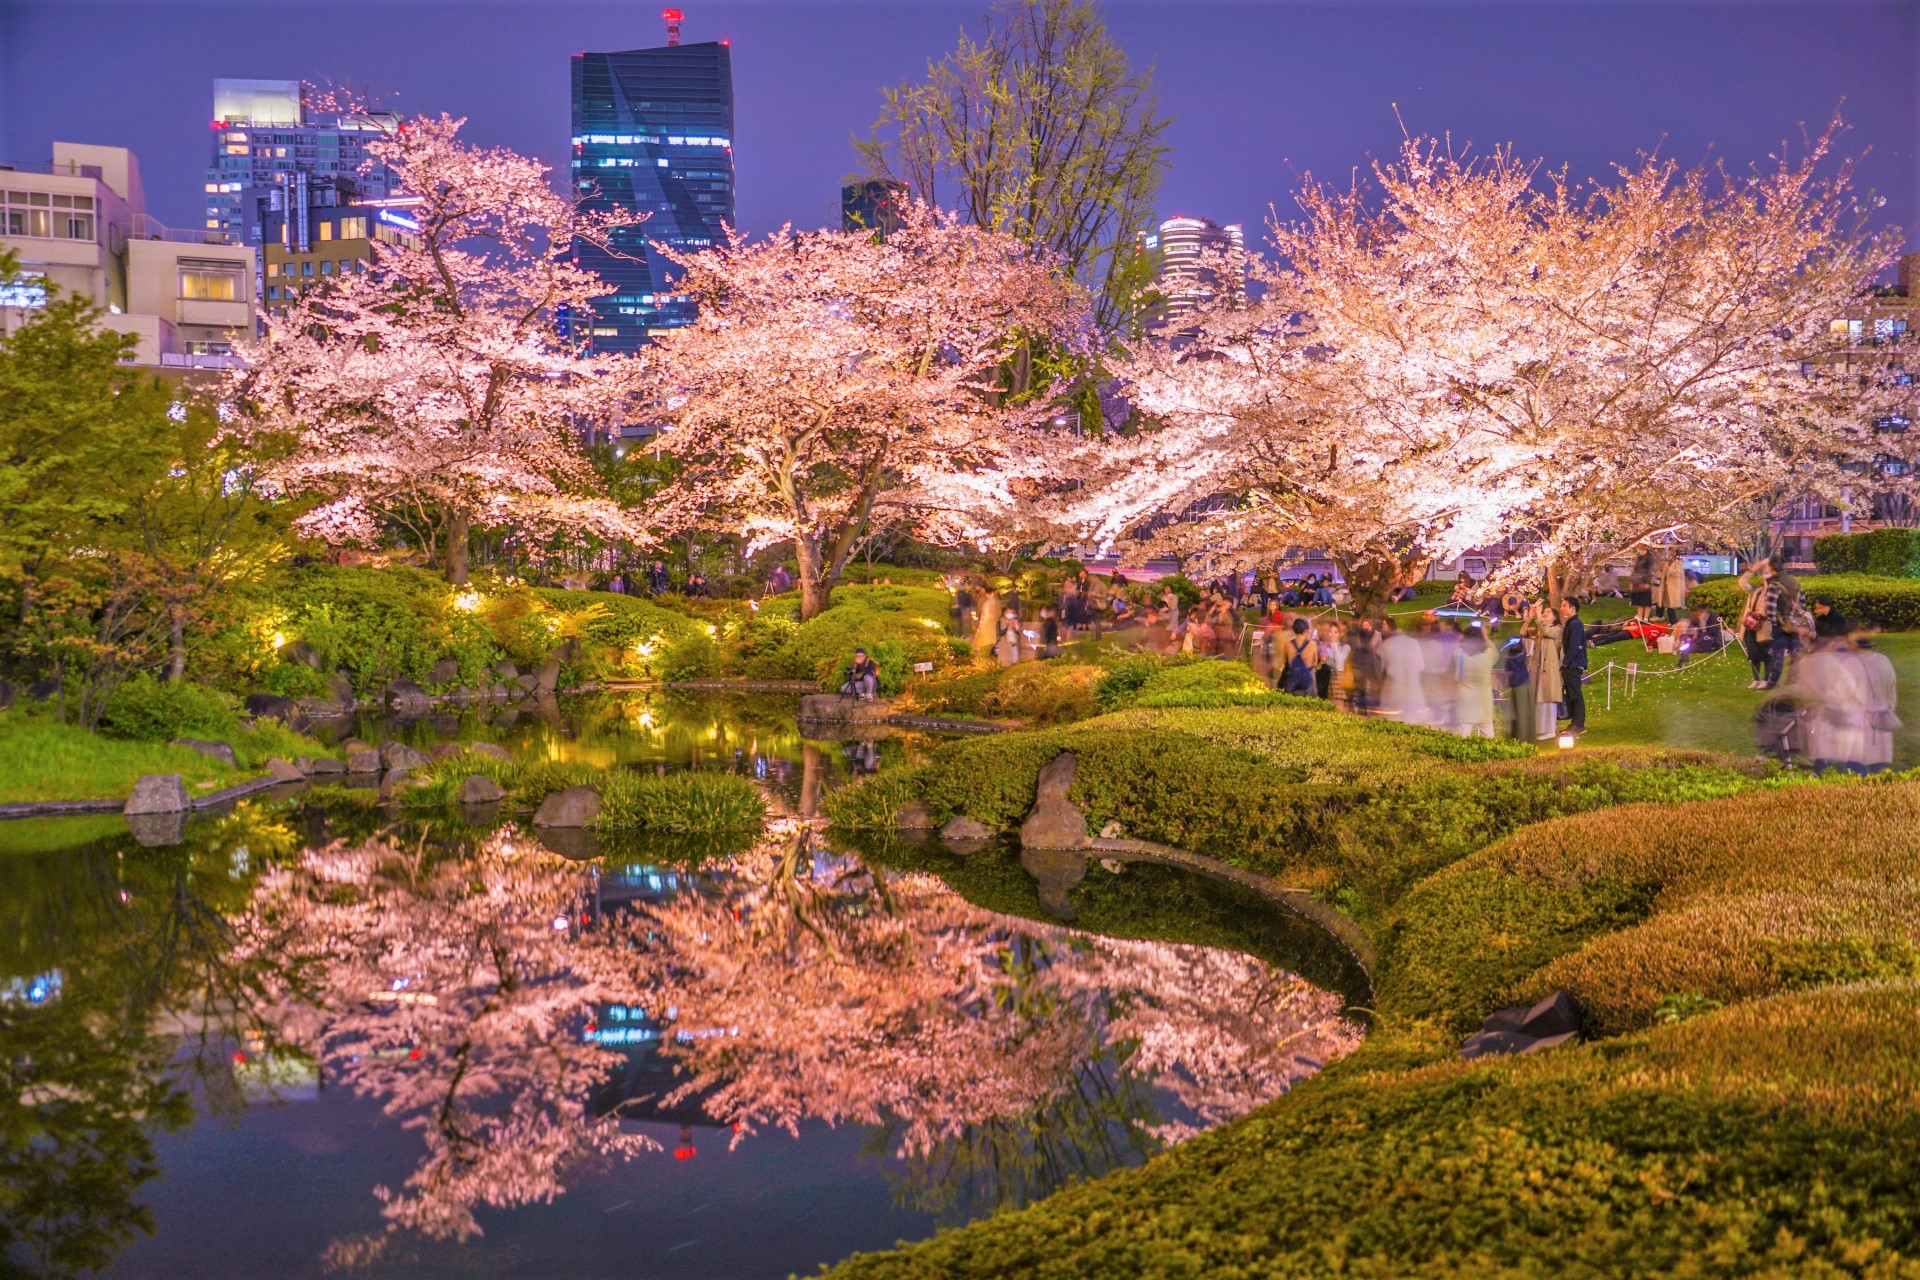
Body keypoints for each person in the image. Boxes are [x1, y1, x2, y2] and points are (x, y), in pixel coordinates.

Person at [1854, 633, 1901, 773]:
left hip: (1861, 718)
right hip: (1882, 716)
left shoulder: (1853, 663)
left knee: (1858, 763)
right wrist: (1889, 709)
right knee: (1879, 762)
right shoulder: (1884, 660)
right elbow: (1892, 687)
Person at [1524, 602, 1565, 742]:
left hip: (1549, 671)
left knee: (1547, 698)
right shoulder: (1539, 628)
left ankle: (1548, 730)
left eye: (1549, 612)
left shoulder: (1558, 628)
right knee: (1537, 699)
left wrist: (1539, 615)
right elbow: (1523, 633)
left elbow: (1549, 632)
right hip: (1537, 670)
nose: (1545, 614)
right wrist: (1530, 617)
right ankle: (1538, 730)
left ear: (1555, 617)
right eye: (1545, 612)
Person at [1377, 619, 1426, 723]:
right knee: (1410, 720)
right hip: (1411, 688)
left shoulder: (1387, 644)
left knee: (1392, 722)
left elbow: (1383, 668)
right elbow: (1420, 666)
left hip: (1393, 688)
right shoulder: (1414, 643)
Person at [1453, 624, 1498, 737]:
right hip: (1484, 698)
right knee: (1487, 733)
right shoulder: (1489, 653)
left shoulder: (1459, 653)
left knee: (1463, 733)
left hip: (1465, 698)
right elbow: (1494, 650)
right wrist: (1485, 636)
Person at [1559, 597, 1589, 735]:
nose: (1561, 608)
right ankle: (1575, 723)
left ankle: (1578, 724)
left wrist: (1566, 663)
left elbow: (1575, 645)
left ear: (1573, 608)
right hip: (1572, 664)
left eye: (1564, 605)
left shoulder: (1575, 624)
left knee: (1575, 694)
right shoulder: (1571, 623)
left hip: (1573, 665)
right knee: (1572, 694)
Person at [1280, 618, 1319, 696]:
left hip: (1292, 677)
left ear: (1293, 630)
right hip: (1308, 678)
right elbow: (1315, 662)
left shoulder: (1287, 644)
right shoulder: (1312, 644)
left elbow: (1284, 661)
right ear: (1305, 630)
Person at [1655, 550, 1690, 623]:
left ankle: (1673, 621)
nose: (1668, 551)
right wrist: (1662, 569)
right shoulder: (1669, 561)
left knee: (1671, 604)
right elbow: (1663, 574)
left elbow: (1679, 573)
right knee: (1667, 604)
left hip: (1673, 586)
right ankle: (1671, 621)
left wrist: (1668, 568)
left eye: (1670, 550)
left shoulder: (1678, 562)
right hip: (1666, 585)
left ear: (1674, 552)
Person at [1319, 621, 1349, 701]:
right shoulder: (1324, 647)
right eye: (1330, 631)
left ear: (1340, 634)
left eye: (1336, 632)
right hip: (1327, 682)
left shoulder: (1345, 647)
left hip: (1339, 682)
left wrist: (1334, 645)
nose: (1333, 634)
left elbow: (1339, 666)